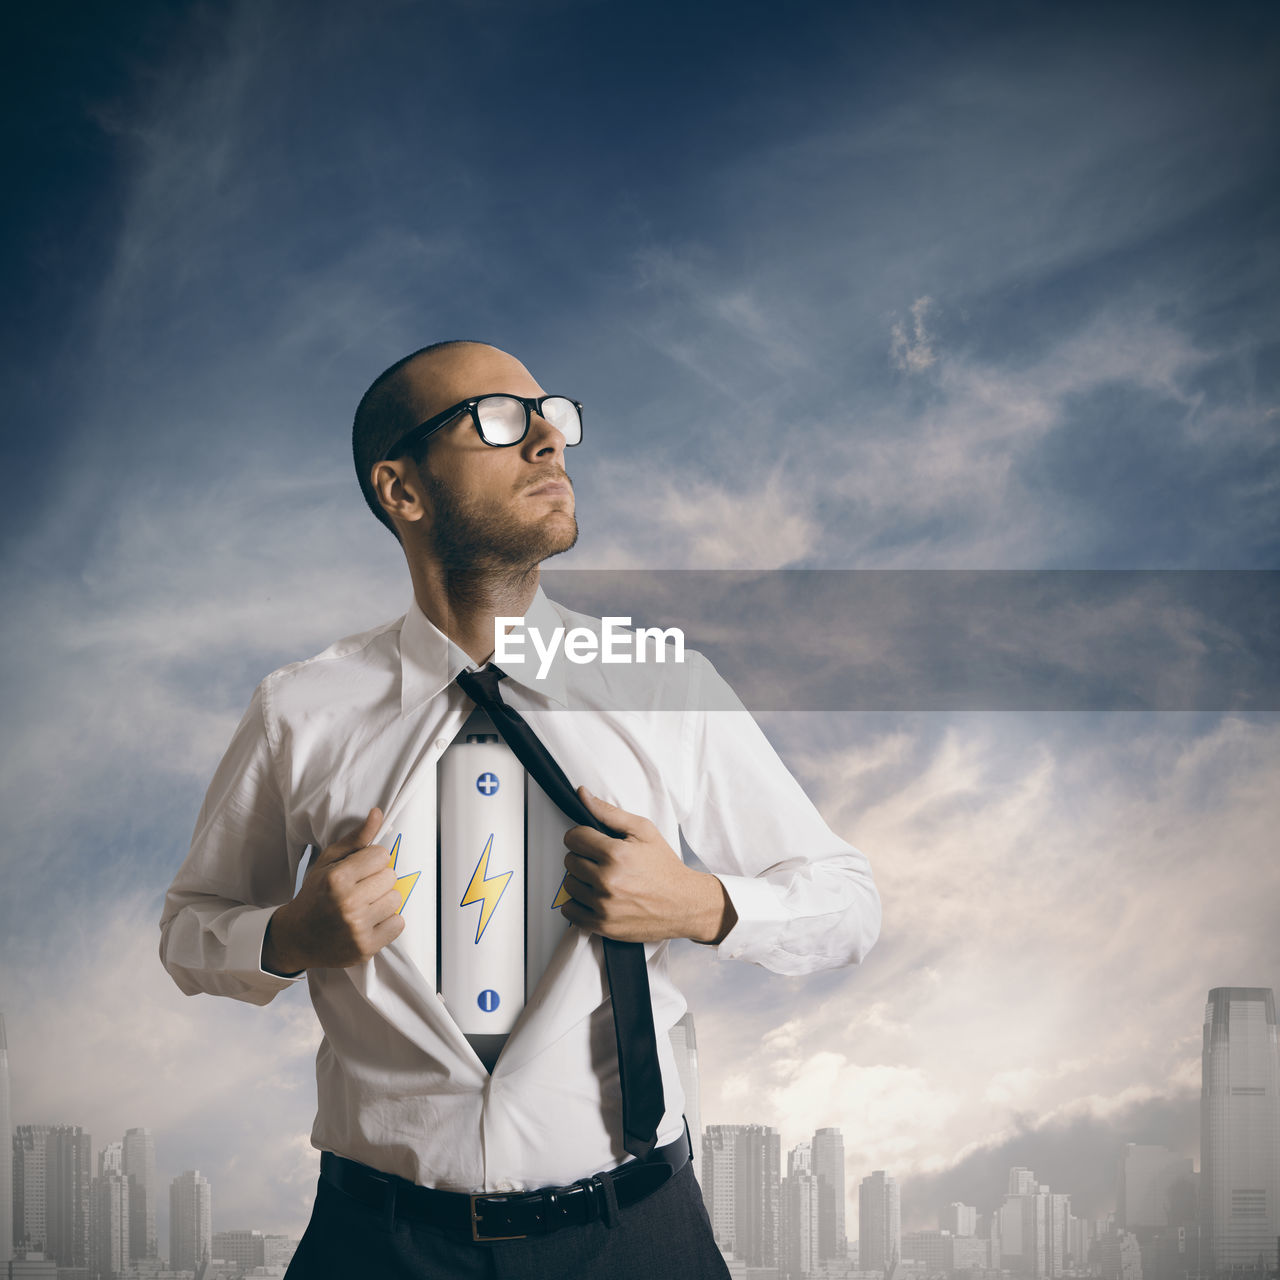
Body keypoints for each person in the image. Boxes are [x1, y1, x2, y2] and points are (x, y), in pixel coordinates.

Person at [159, 340, 882, 1279]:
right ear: (401, 490)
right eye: (499, 419)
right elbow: (188, 931)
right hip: (376, 1246)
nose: (549, 440)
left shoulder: (667, 688)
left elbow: (849, 903)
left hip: (637, 1239)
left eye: (555, 417)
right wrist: (290, 935)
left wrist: (701, 906)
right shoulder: (301, 710)